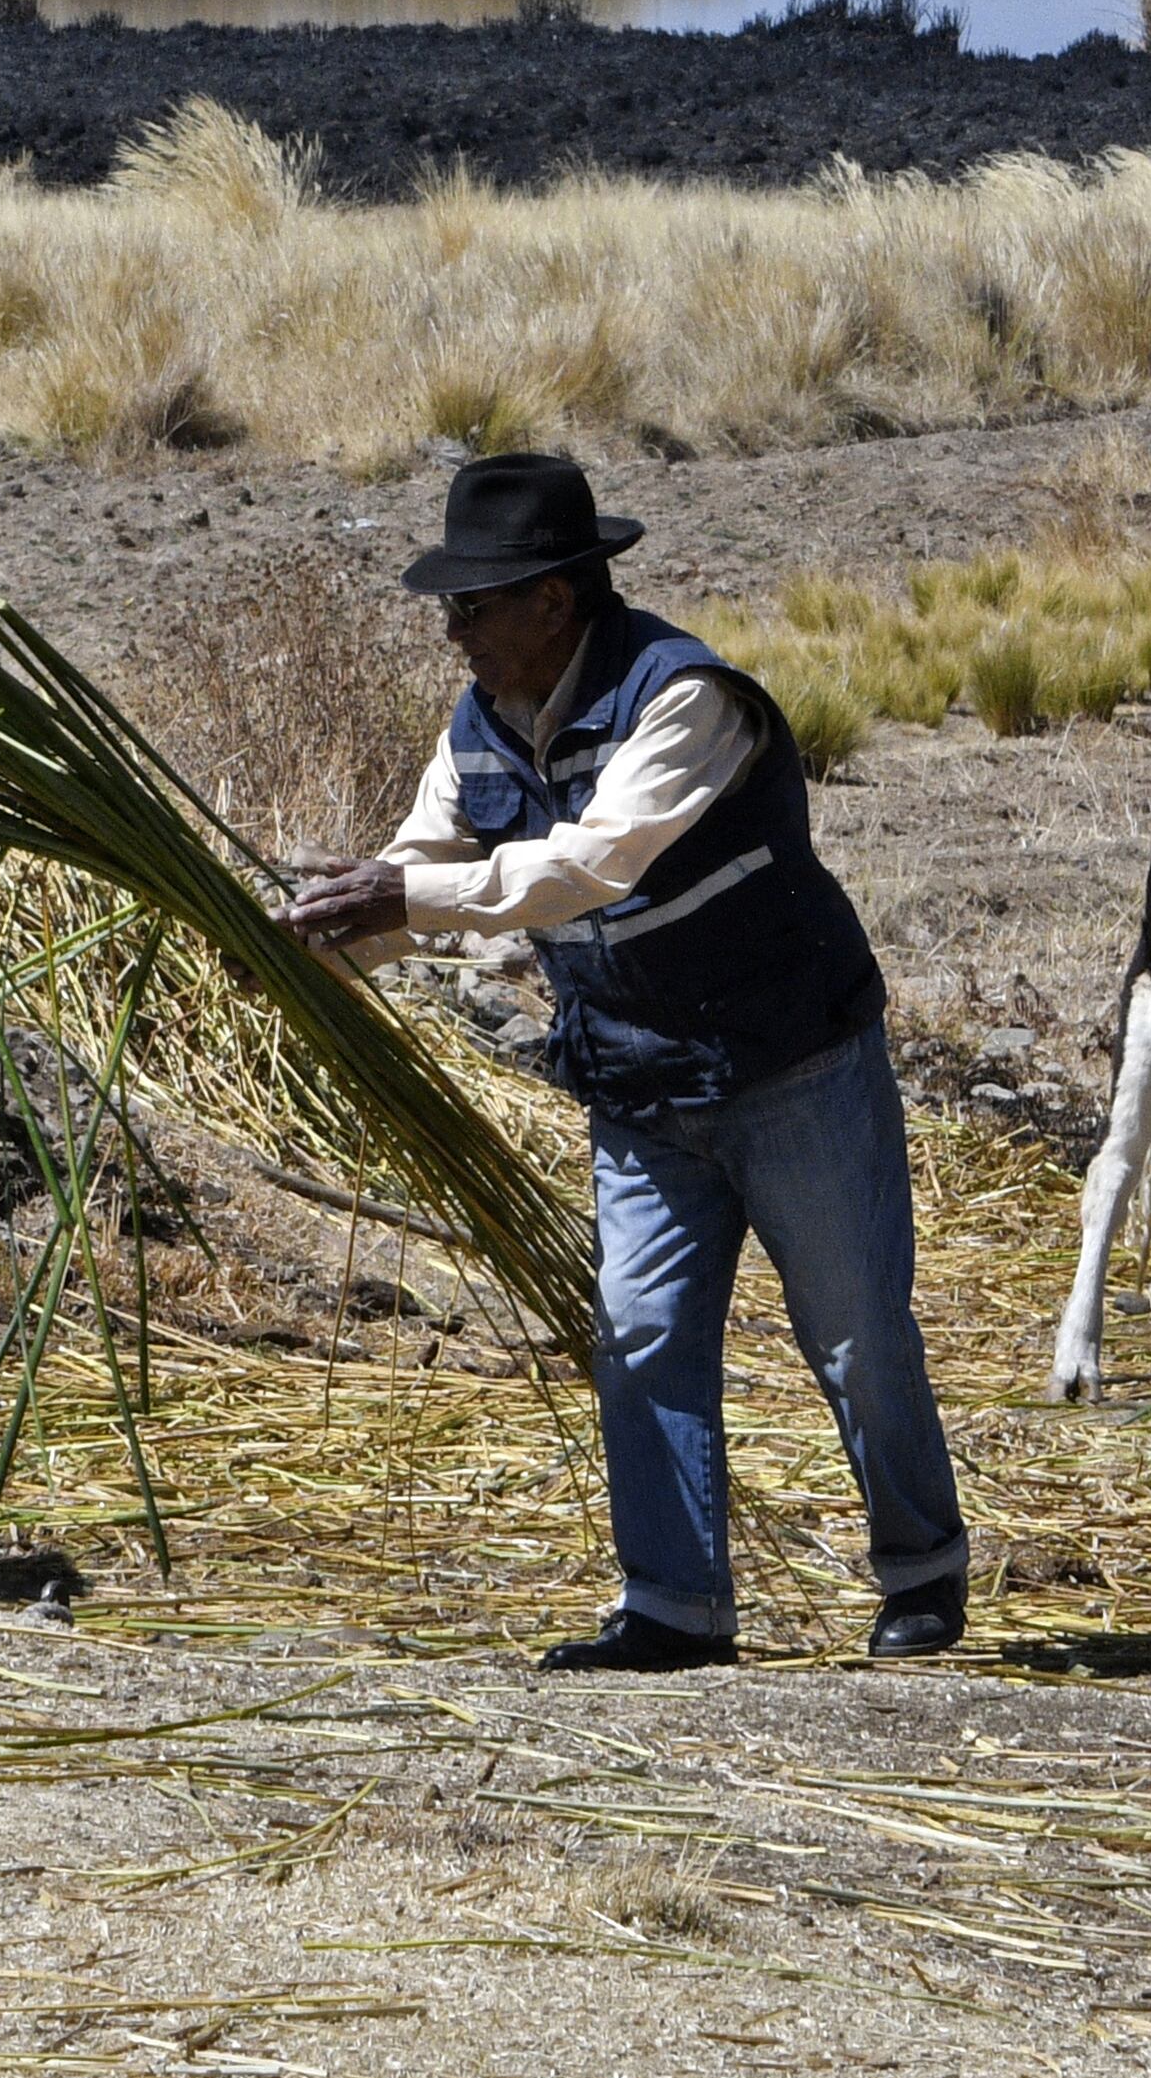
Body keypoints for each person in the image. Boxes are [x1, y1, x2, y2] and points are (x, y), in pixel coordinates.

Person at [282, 451, 968, 1670]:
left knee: (856, 1336)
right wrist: (306, 949)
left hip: (791, 1063)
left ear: (554, 598)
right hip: (638, 1080)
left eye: (473, 606)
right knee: (642, 1332)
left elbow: (592, 864)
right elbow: (422, 864)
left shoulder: (683, 701)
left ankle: (919, 1572)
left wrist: (406, 893)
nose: (456, 633)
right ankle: (675, 1609)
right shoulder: (477, 728)